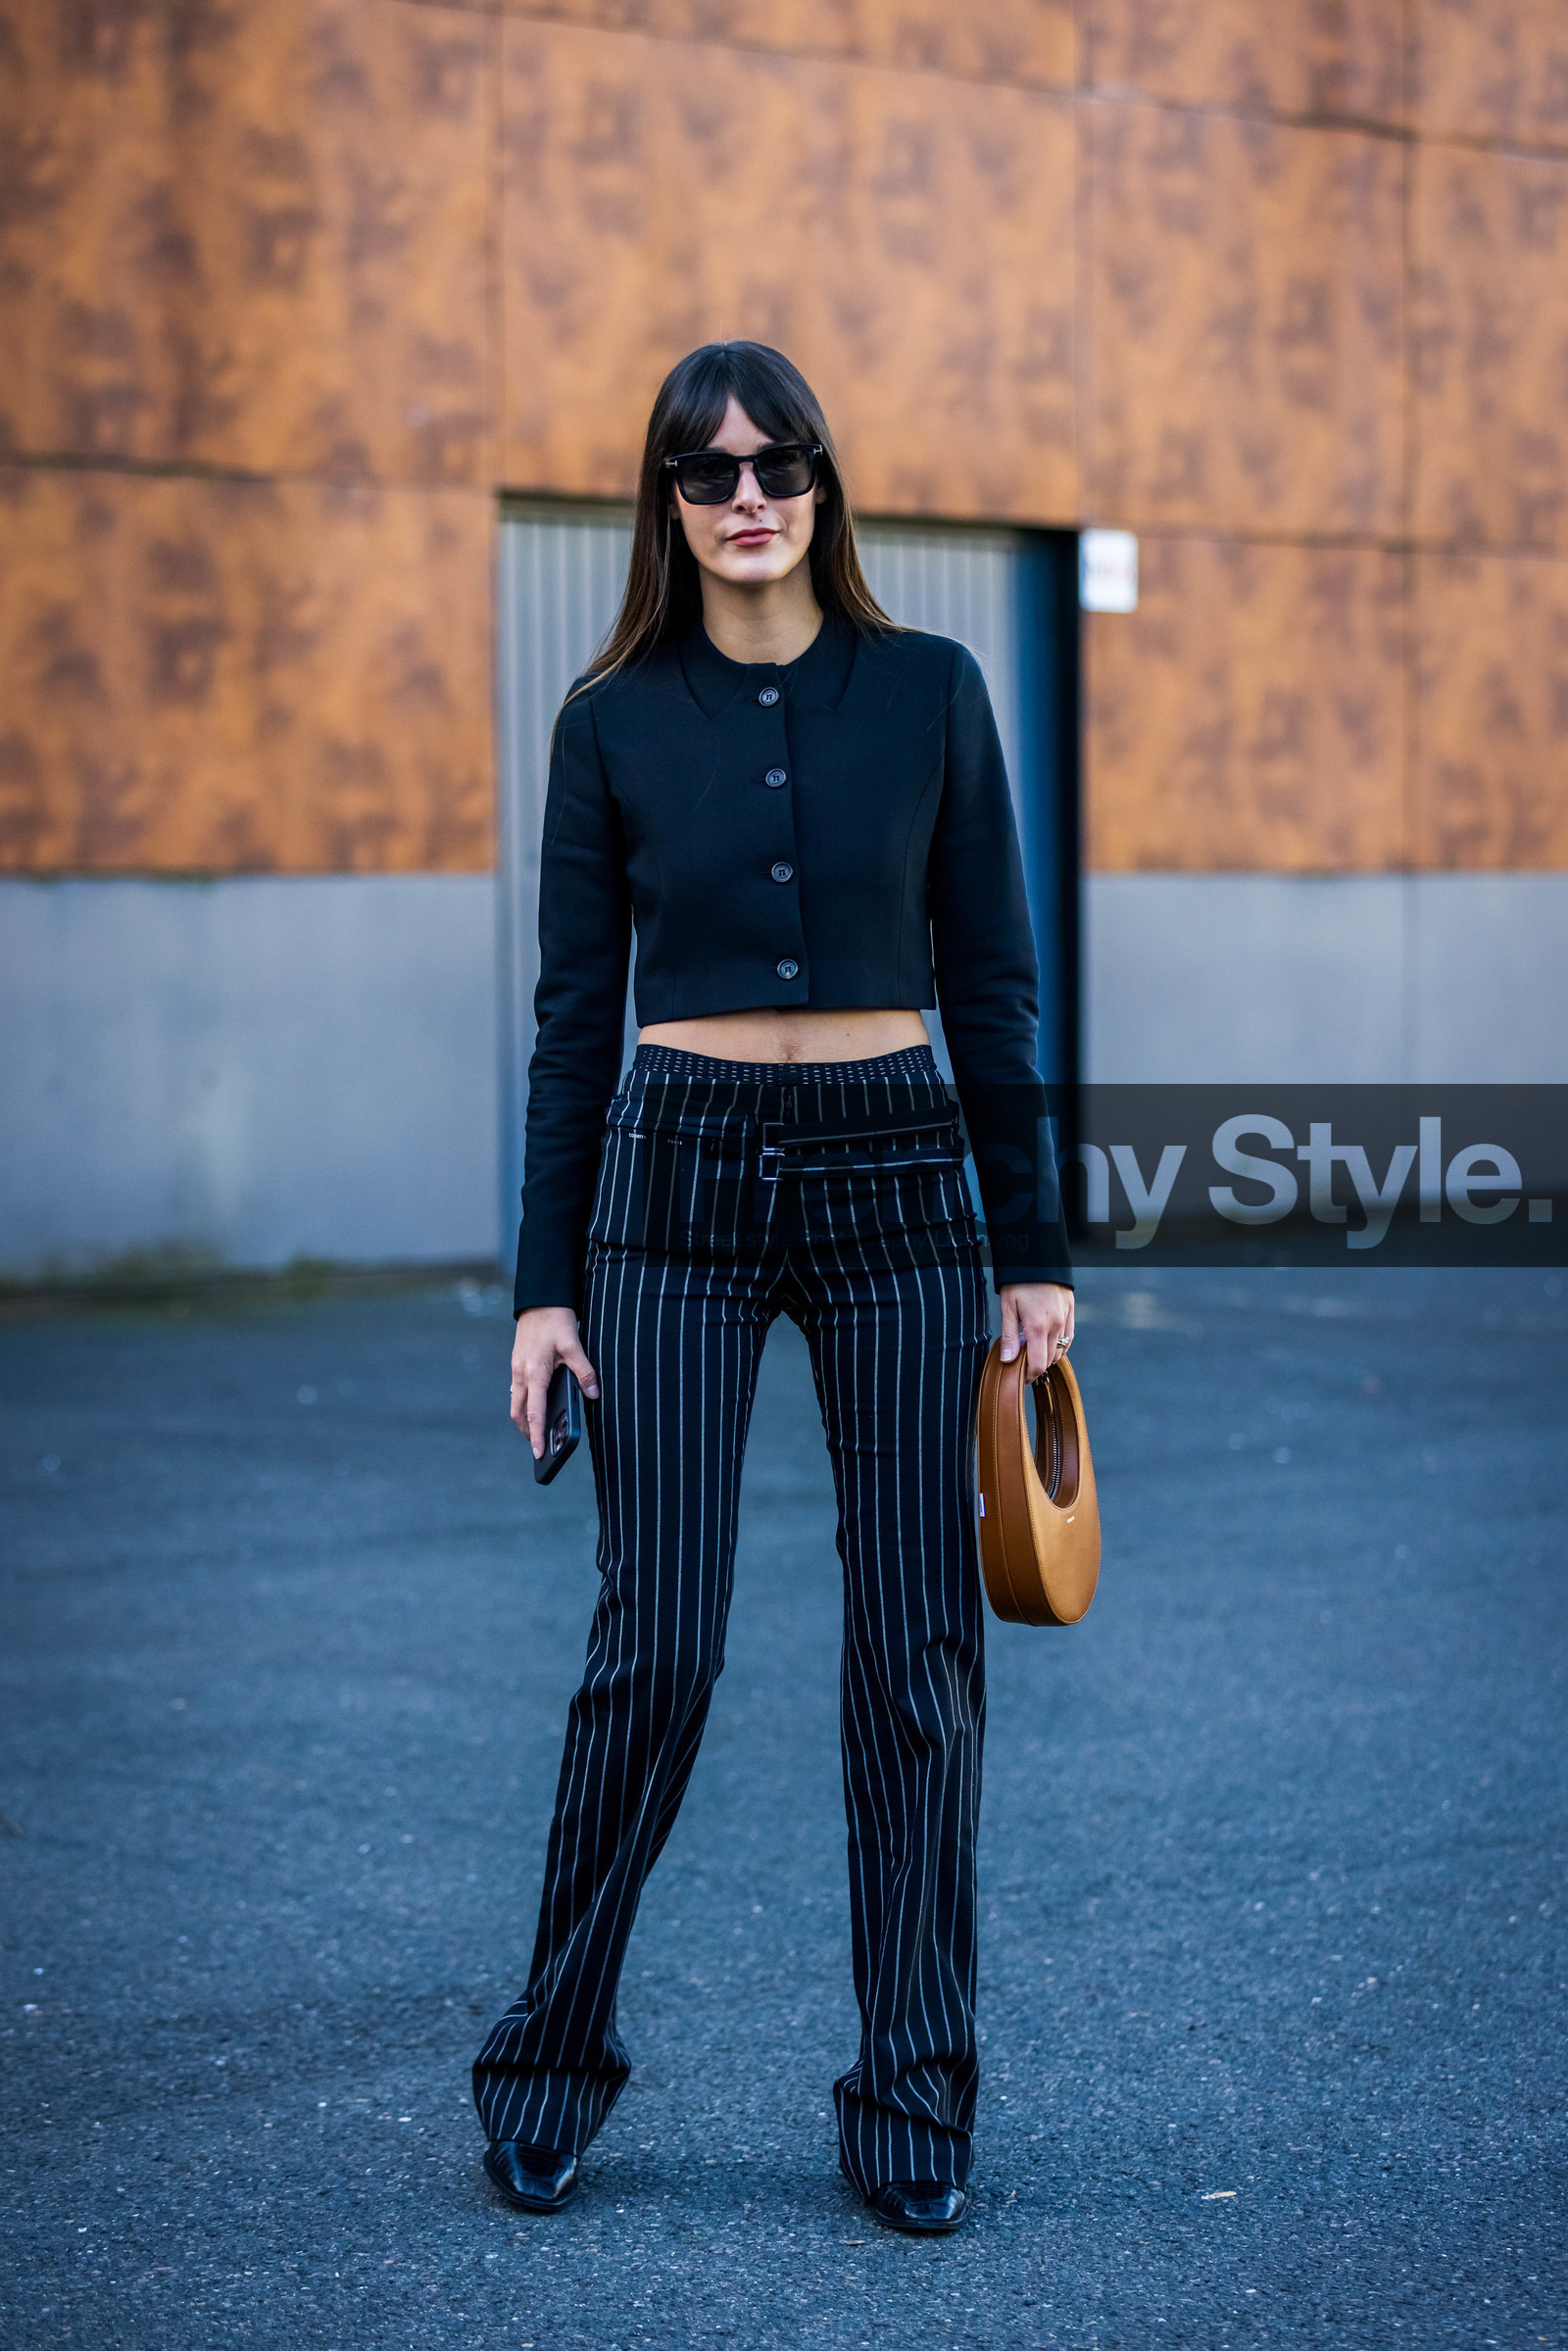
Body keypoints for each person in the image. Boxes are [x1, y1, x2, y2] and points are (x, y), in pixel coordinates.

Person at [473, 341, 1073, 2237]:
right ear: (664, 499)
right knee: (655, 1648)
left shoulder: (933, 689)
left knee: (918, 1657)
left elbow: (994, 982)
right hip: (672, 1188)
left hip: (901, 1182)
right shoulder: (608, 722)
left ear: (824, 482)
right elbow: (575, 1019)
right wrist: (543, 1285)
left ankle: (915, 2094)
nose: (748, 496)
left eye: (779, 463)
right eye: (707, 468)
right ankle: (547, 2065)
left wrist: (1033, 1252)